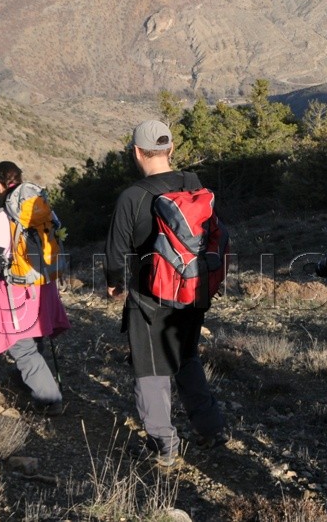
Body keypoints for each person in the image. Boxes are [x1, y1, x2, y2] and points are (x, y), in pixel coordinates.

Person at [105, 120, 226, 471]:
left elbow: (115, 253)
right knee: (186, 357)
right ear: (171, 149)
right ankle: (211, 428)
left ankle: (164, 446)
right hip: (192, 290)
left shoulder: (132, 196)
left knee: (151, 371)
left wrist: (114, 284)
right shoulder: (193, 183)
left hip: (151, 296)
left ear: (136, 153)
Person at [0, 161, 69, 415]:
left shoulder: (4, 216)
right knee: (36, 334)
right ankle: (25, 380)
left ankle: (50, 399)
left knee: (21, 345)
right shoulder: (43, 207)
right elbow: (61, 235)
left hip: (17, 289)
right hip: (44, 284)